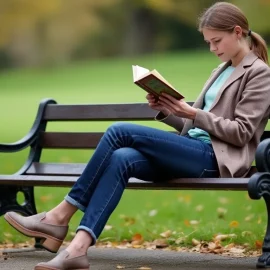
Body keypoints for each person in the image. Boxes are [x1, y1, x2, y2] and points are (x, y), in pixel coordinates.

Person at [4, 2, 270, 269]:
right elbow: (195, 126)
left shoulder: (259, 74)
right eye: (208, 43)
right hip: (193, 149)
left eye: (216, 41)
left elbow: (241, 132)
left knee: (119, 131)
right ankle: (77, 249)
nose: (212, 48)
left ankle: (59, 215)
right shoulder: (221, 71)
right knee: (122, 158)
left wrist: (192, 113)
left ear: (237, 32)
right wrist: (170, 110)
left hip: (216, 159)